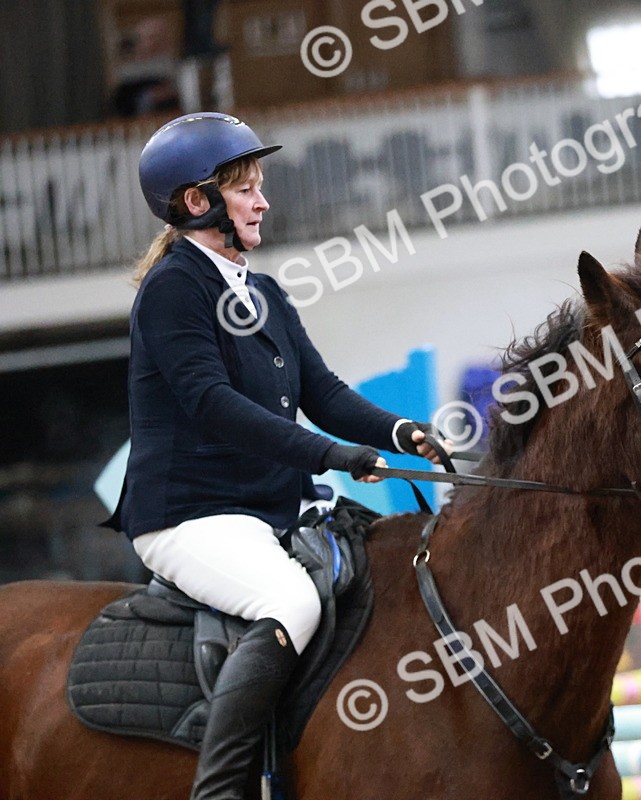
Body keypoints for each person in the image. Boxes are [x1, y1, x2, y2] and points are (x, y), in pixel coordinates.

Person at [101, 112, 449, 800]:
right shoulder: (174, 289)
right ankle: (220, 789)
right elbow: (215, 405)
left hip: (266, 510)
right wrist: (333, 455)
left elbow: (323, 392)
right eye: (246, 190)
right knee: (290, 601)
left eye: (259, 187)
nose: (263, 202)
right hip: (188, 516)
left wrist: (401, 431)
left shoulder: (261, 293)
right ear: (197, 201)